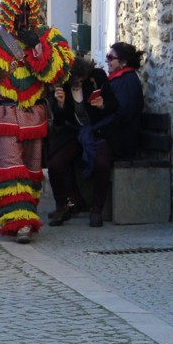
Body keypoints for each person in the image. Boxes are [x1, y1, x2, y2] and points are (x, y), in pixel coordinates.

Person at [0, 0, 74, 243]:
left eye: (27, 10)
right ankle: (19, 222)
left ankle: (27, 213)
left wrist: (38, 46)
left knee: (33, 170)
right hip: (4, 113)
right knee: (10, 167)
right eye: (18, 10)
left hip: (35, 115)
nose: (21, 15)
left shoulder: (49, 36)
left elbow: (59, 73)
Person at [45, 55, 115, 227]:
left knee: (102, 163)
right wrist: (60, 105)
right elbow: (59, 121)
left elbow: (114, 105)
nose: (78, 82)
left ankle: (97, 209)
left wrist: (102, 105)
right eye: (75, 80)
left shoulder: (96, 77)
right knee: (55, 164)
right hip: (73, 132)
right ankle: (64, 205)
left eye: (81, 79)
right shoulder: (62, 86)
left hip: (97, 131)